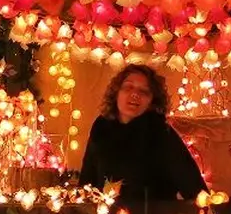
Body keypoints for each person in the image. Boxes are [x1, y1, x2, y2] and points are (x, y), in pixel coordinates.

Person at [78, 64, 207, 204]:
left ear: (151, 101)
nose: (135, 94)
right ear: (116, 93)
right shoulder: (101, 126)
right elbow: (87, 179)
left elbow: (195, 189)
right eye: (128, 87)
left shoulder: (161, 133)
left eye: (144, 91)